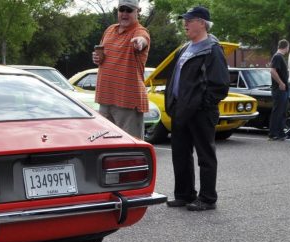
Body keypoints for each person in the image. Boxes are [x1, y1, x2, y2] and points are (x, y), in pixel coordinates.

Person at [163, 6, 228, 211]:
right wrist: (174, 104)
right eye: (185, 20)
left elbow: (220, 85)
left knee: (205, 155)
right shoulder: (185, 48)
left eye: (189, 20)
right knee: (180, 154)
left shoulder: (212, 49)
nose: (185, 24)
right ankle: (184, 194)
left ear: (201, 22)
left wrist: (201, 105)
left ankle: (208, 198)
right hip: (180, 110)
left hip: (200, 112)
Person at [91, 0, 150, 139]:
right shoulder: (110, 30)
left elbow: (143, 40)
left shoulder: (140, 31)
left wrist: (140, 43)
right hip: (105, 99)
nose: (124, 13)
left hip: (127, 103)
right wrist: (97, 58)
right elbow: (102, 56)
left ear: (137, 12)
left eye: (129, 10)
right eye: (121, 9)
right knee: (107, 148)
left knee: (130, 150)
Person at [268, 39, 289, 140]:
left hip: (283, 89)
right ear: (287, 47)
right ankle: (273, 134)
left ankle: (281, 133)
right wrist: (281, 83)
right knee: (278, 112)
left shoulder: (279, 57)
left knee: (282, 112)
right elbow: (272, 70)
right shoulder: (277, 57)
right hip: (279, 89)